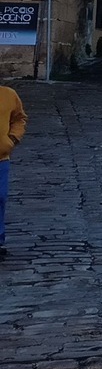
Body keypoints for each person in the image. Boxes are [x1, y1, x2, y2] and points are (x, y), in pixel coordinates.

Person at [0, 82, 24, 258]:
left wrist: (12, 139)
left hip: (1, 158)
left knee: (0, 197)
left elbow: (19, 118)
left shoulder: (8, 94)